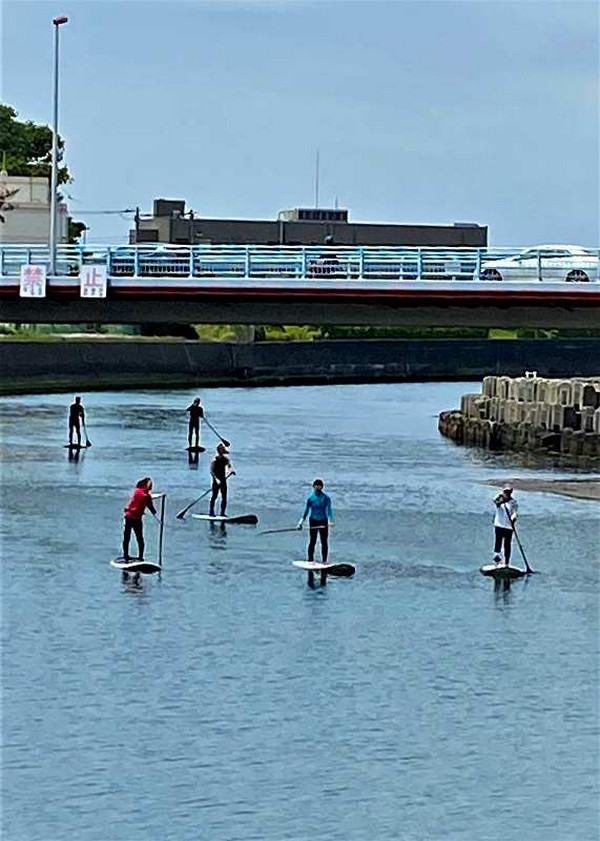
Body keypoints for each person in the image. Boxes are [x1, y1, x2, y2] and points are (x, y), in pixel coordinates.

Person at [297, 478, 334, 563]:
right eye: (316, 486)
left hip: (323, 521)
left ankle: (324, 561)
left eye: (319, 486)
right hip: (313, 521)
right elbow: (306, 511)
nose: (318, 487)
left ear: (322, 487)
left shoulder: (326, 498)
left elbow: (329, 510)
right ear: (313, 487)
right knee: (312, 541)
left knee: (324, 541)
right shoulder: (311, 499)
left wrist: (331, 521)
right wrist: (301, 523)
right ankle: (310, 560)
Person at [123, 477, 159, 561]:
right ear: (145, 485)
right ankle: (140, 557)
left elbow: (145, 498)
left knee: (127, 537)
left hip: (129, 516)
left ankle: (126, 555)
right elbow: (150, 506)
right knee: (139, 538)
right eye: (150, 485)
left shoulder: (137, 491)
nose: (151, 486)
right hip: (135, 518)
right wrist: (156, 514)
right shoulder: (146, 496)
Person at [493, 485, 518, 566]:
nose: (507, 493)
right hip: (499, 525)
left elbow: (514, 513)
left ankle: (507, 563)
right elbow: (496, 502)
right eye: (506, 492)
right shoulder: (499, 499)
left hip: (508, 527)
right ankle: (497, 562)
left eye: (509, 492)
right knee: (498, 543)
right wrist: (502, 499)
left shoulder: (513, 502)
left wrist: (513, 518)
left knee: (507, 545)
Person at [209, 443, 235, 517]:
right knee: (214, 496)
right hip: (216, 481)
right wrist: (217, 480)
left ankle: (222, 513)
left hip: (223, 480)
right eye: (221, 450)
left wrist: (231, 471)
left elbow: (229, 466)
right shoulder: (215, 460)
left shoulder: (225, 459)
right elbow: (212, 471)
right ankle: (211, 512)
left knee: (224, 497)